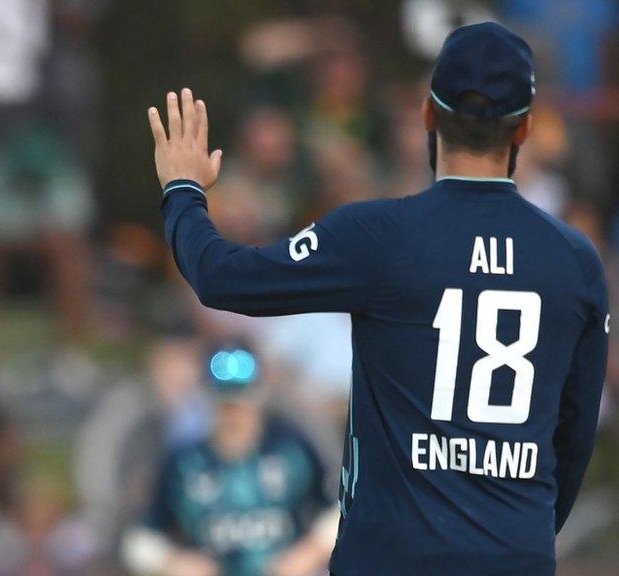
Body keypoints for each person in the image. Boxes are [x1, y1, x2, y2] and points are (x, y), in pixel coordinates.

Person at [148, 22, 607, 576]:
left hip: (392, 556)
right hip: (515, 553)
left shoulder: (381, 235)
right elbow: (574, 435)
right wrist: (519, 532)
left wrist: (183, 192)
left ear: (428, 117)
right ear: (526, 129)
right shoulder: (576, 261)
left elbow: (222, 277)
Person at [120, 343, 337, 576]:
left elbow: (338, 510)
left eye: (241, 402)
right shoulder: (183, 464)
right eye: (224, 404)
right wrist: (172, 562)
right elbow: (141, 537)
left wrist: (311, 550)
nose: (233, 414)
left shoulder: (291, 451)